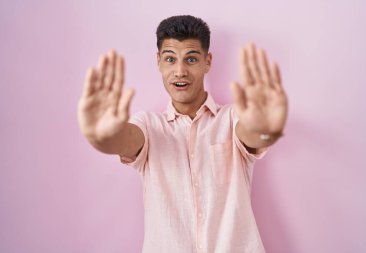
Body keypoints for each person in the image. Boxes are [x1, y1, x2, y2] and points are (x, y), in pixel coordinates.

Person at [77, 15, 288, 253]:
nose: (180, 71)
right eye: (170, 59)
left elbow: (254, 134)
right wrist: (102, 137)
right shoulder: (148, 125)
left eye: (191, 59)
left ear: (207, 62)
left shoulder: (232, 118)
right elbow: (122, 140)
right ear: (159, 62)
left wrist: (266, 130)